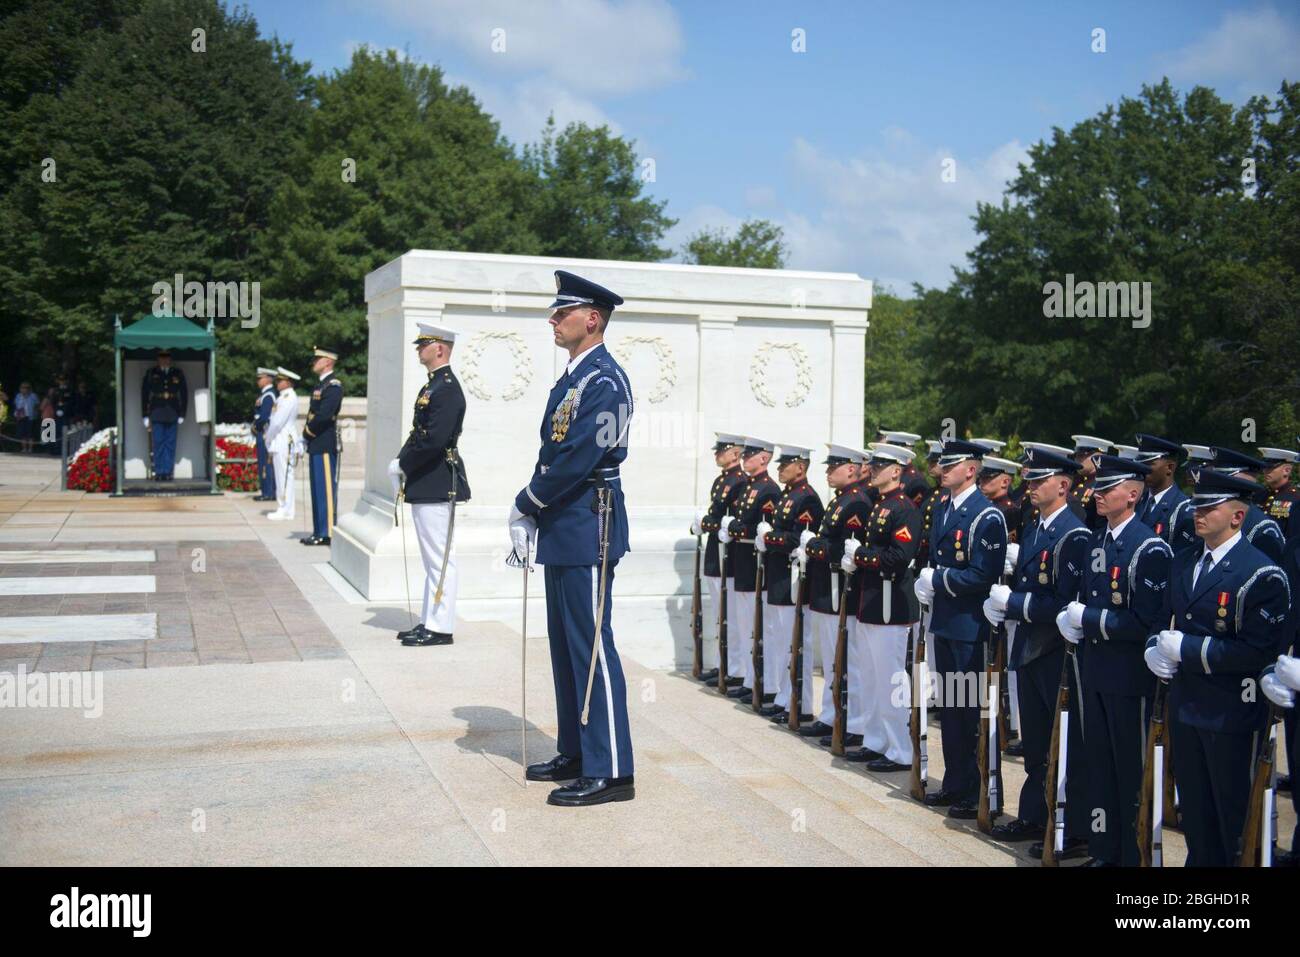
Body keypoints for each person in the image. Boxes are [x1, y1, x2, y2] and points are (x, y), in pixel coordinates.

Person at [511, 270, 635, 807]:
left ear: (593, 318)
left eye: (562, 313)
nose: (552, 320)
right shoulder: (573, 377)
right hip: (566, 522)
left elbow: (580, 455)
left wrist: (528, 502)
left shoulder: (607, 380)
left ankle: (611, 769)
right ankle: (578, 749)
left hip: (590, 522)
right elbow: (554, 451)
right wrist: (538, 509)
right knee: (564, 645)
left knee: (591, 648)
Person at [1143, 469, 1290, 866]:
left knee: (1233, 818)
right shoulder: (1183, 561)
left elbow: (1257, 652)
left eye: (1210, 506)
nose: (1199, 512)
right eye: (1197, 504)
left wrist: (1189, 649)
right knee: (1197, 813)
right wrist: (1154, 648)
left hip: (1231, 714)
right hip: (1187, 707)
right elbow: (1161, 621)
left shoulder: (1260, 573)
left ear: (1238, 517)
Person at [1056, 454, 1172, 866]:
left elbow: (1145, 621)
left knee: (1130, 772)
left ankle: (1132, 854)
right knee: (1101, 768)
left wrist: (1089, 619)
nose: (1097, 495)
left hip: (1129, 677)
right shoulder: (1097, 540)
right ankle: (1105, 850)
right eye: (1098, 488)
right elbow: (1089, 597)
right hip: (1097, 670)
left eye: (1107, 489)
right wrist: (1076, 619)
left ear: (1134, 493)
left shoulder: (1148, 547)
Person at [984, 447, 1091, 859]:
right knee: (1035, 742)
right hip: (1030, 648)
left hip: (1055, 651)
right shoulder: (1036, 525)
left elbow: (1064, 602)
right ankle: (1035, 813)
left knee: (1063, 743)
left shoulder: (1074, 534)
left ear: (1063, 485)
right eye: (1030, 480)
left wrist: (1014, 604)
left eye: (1039, 480)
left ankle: (1072, 825)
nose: (1030, 486)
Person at [913, 439, 1008, 820]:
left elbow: (982, 575)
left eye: (950, 464)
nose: (942, 469)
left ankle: (977, 789)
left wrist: (939, 580)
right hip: (946, 622)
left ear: (971, 469)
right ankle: (955, 781)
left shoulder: (987, 516)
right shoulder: (944, 508)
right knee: (951, 710)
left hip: (971, 627)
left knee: (970, 711)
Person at [844, 442, 922, 771]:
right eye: (873, 464)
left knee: (891, 680)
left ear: (896, 471)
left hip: (891, 607)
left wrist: (859, 555)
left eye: (881, 465)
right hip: (874, 603)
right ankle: (877, 741)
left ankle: (901, 750)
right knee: (873, 677)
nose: (872, 470)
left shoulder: (903, 508)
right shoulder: (881, 504)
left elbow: (898, 559)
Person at [392, 324, 469, 647]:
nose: (418, 349)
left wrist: (404, 464)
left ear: (440, 348)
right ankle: (430, 619)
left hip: (438, 480)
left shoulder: (447, 389)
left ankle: (440, 628)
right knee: (432, 559)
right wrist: (401, 461)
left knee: (440, 558)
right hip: (427, 479)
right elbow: (418, 433)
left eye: (423, 344)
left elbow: (434, 440)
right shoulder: (434, 386)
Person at [796, 444, 872, 746]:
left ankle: (853, 722)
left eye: (834, 466)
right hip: (827, 591)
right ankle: (831, 715)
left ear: (851, 469)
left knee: (846, 662)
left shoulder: (857, 504)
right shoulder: (841, 501)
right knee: (831, 661)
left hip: (842, 594)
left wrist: (814, 545)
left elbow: (842, 549)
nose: (828, 471)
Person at [758, 443, 824, 724]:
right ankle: (785, 698)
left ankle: (802, 704)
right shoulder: (789, 496)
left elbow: (797, 539)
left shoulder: (807, 499)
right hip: (778, 576)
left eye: (786, 465)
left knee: (795, 645)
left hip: (793, 578)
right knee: (780, 642)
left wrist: (770, 537)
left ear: (801, 466)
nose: (780, 469)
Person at [719, 437, 780, 700]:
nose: (744, 459)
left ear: (764, 458)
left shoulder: (769, 489)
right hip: (742, 564)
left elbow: (759, 526)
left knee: (760, 629)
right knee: (745, 627)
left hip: (757, 566)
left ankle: (762, 683)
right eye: (744, 455)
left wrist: (736, 528)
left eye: (750, 455)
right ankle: (748, 677)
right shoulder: (749, 486)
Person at [691, 432, 748, 687]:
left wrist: (707, 523)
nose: (717, 454)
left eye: (722, 450)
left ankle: (735, 669)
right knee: (719, 614)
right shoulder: (721, 480)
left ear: (735, 453)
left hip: (731, 558)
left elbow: (733, 521)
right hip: (716, 554)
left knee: (732, 617)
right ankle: (722, 663)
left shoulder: (741, 482)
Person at [301, 347, 343, 546]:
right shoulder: (321, 385)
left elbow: (325, 416)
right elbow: (312, 413)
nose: (314, 362)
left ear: (327, 361)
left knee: (325, 489)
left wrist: (307, 432)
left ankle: (327, 532)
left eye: (317, 359)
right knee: (317, 489)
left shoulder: (333, 386)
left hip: (324, 443)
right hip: (316, 443)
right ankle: (319, 530)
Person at [1134, 433, 1193, 551]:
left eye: (1149, 464)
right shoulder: (1136, 500)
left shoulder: (1183, 509)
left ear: (1169, 467)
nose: (1142, 469)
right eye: (1141, 463)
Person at [141, 349, 188, 480]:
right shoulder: (151, 373)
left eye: (167, 357)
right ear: (158, 359)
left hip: (173, 411)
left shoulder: (177, 373)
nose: (164, 360)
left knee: (170, 443)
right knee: (158, 443)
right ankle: (159, 472)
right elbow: (144, 394)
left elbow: (184, 393)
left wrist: (183, 413)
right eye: (162, 357)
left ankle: (168, 472)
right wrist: (144, 414)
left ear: (170, 359)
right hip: (156, 412)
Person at [264, 367, 300, 522]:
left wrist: (268, 438)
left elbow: (277, 423)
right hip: (281, 440)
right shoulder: (282, 397)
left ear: (288, 382)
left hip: (283, 440)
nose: (277, 383)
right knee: (282, 476)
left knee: (284, 476)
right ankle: (284, 507)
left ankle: (285, 509)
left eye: (280, 380)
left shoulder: (288, 397)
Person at [252, 367, 278, 502]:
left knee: (265, 463)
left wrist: (255, 426)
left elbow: (264, 417)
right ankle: (267, 490)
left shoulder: (268, 395)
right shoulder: (265, 394)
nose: (258, 381)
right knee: (264, 462)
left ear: (268, 379)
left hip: (264, 433)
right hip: (263, 432)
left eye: (260, 378)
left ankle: (268, 492)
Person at [12, 382, 37, 453]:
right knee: (22, 434)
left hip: (30, 417)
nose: (24, 389)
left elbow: (36, 405)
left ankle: (30, 449)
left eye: (26, 388)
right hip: (21, 417)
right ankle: (24, 449)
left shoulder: (33, 396)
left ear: (29, 389)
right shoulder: (18, 396)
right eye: (22, 388)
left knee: (30, 434)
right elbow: (16, 405)